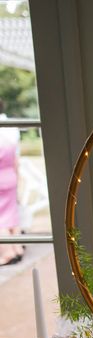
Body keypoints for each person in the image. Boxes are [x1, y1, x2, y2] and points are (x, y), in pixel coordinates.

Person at [0, 99, 23, 266]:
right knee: (11, 214)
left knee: (1, 218)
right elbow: (16, 157)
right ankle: (18, 248)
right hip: (10, 175)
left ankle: (7, 252)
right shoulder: (11, 128)